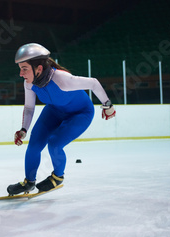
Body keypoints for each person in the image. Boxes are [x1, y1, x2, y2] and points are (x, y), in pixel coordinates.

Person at [7, 43, 116, 195]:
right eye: (20, 69)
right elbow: (29, 108)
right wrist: (23, 129)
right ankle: (29, 182)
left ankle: (57, 177)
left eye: (24, 68)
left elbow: (93, 83)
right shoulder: (29, 83)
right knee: (34, 145)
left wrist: (107, 105)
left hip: (80, 113)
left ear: (38, 68)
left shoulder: (62, 79)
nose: (20, 74)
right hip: (54, 111)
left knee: (54, 143)